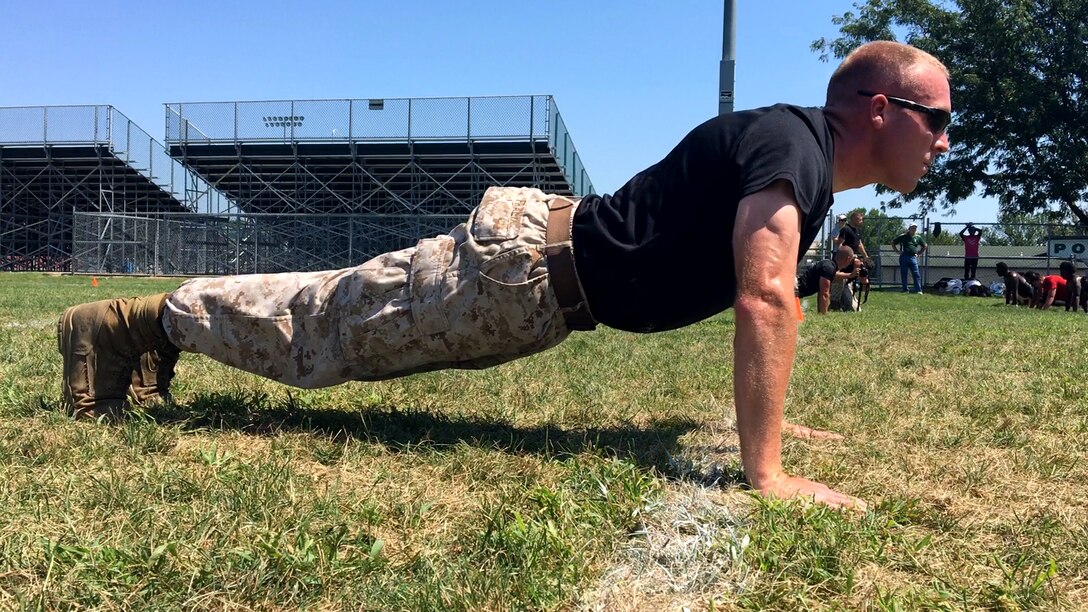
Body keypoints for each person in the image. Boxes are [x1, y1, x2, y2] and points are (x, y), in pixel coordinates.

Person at [55, 41, 951, 511]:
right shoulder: (792, 149)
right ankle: (134, 323)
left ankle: (156, 333)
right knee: (322, 330)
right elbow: (763, 295)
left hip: (535, 279)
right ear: (881, 109)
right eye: (936, 118)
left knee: (330, 325)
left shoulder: (802, 162)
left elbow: (755, 290)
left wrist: (779, 424)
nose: (945, 139)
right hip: (519, 271)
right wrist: (770, 474)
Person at [796, 246, 858, 313]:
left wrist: (820, 312)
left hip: (796, 289)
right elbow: (824, 293)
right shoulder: (829, 268)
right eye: (851, 260)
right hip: (795, 290)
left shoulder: (829, 265)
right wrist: (824, 315)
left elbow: (821, 291)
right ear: (848, 259)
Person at [892, 221, 928, 293]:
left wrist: (919, 253)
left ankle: (918, 290)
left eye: (915, 228)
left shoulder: (918, 237)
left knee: (916, 273)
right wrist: (897, 251)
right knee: (904, 274)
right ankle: (905, 289)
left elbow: (925, 245)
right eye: (912, 228)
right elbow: (893, 243)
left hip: (913, 257)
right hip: (904, 256)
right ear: (909, 228)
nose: (914, 229)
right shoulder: (903, 236)